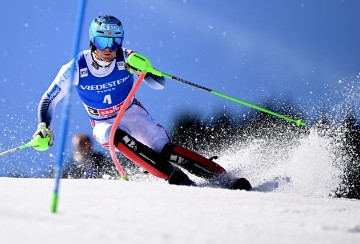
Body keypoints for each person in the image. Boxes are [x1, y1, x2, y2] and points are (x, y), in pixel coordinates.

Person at [32, 15, 241, 187]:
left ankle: (224, 178)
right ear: (92, 41)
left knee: (164, 148)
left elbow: (159, 84)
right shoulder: (76, 68)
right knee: (115, 136)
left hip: (131, 113)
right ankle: (176, 178)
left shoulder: (126, 58)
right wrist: (44, 126)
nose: (108, 49)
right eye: (102, 41)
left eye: (114, 42)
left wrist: (146, 69)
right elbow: (48, 99)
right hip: (103, 122)